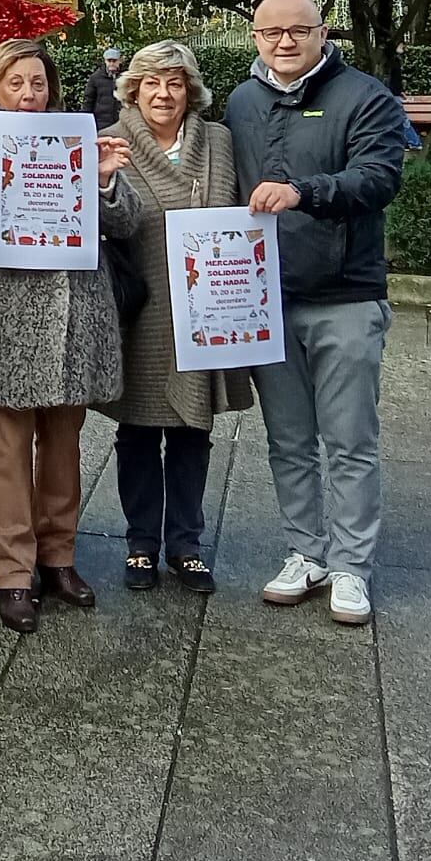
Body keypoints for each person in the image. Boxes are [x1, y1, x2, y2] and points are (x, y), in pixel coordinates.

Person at [0, 38, 140, 634]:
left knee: (63, 445)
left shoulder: (79, 140)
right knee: (6, 450)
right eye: (15, 84)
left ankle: (59, 558)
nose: (29, 95)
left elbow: (129, 220)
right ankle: (13, 572)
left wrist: (104, 182)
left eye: (37, 83)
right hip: (5, 315)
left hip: (75, 313)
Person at [227, 0, 406, 628]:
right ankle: (306, 551)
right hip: (265, 297)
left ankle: (352, 566)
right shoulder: (242, 102)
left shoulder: (364, 96)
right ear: (253, 36)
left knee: (351, 439)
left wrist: (305, 192)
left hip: (346, 295)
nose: (283, 42)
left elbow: (380, 178)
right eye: (269, 32)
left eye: (297, 30)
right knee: (289, 440)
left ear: (321, 33)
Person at [103, 41, 252, 594]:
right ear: (132, 89)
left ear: (191, 90)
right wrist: (104, 183)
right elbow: (110, 222)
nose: (164, 94)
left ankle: (186, 544)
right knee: (138, 429)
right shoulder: (110, 142)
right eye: (151, 84)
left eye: (175, 83)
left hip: (206, 304)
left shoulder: (218, 140)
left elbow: (235, 209)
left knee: (193, 430)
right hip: (143, 307)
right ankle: (141, 541)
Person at [83, 48, 124, 128]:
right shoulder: (95, 78)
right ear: (105, 61)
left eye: (114, 61)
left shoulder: (125, 77)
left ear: (119, 61)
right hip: (100, 123)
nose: (112, 63)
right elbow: (88, 101)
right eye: (109, 61)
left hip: (121, 123)